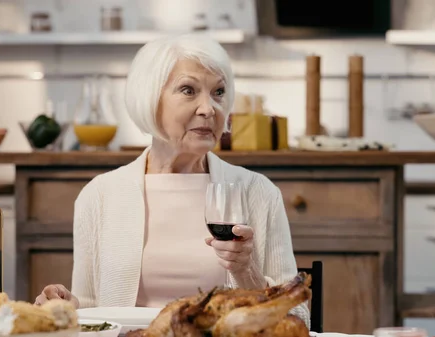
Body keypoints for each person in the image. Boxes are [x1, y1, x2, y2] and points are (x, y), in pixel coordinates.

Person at [34, 34, 311, 327]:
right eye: (189, 90)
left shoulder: (259, 192)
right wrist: (65, 306)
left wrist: (248, 271)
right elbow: (90, 312)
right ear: (151, 100)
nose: (209, 109)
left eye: (218, 93)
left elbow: (298, 321)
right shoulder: (100, 195)